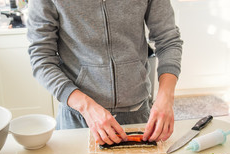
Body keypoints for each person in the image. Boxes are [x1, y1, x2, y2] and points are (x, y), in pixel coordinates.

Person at [27, 0, 183, 146]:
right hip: (78, 118)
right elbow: (42, 58)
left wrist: (165, 98)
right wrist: (86, 107)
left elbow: (168, 40)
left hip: (137, 114)